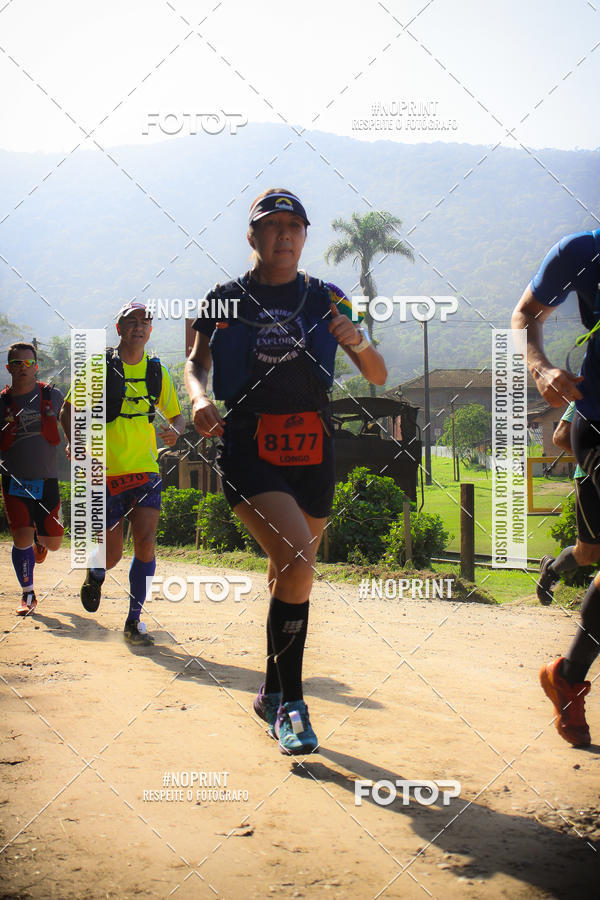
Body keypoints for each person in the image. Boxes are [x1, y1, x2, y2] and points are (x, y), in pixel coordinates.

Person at [185, 188, 387, 754]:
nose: (283, 235)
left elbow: (376, 374)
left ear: (304, 236)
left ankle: (270, 690)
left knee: (289, 574)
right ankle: (293, 707)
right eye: (271, 227)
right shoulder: (224, 299)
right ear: (252, 237)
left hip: (314, 446)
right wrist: (198, 397)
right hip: (250, 443)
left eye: (293, 226)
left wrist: (357, 338)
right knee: (298, 560)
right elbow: (195, 362)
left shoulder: (329, 297)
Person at [512, 228, 600, 746]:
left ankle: (565, 676)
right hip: (599, 421)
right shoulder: (582, 251)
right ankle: (567, 677)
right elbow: (525, 316)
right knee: (594, 555)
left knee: (591, 555)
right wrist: (540, 367)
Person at [59, 302, 185, 645]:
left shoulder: (157, 371)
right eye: (132, 322)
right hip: (104, 470)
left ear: (150, 330)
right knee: (111, 555)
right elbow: (68, 409)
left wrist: (176, 430)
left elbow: (176, 415)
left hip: (145, 469)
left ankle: (133, 622)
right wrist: (75, 444)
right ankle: (95, 572)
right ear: (119, 328)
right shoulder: (98, 367)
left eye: (145, 322)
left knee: (145, 543)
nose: (139, 327)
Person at [0, 342, 66, 615]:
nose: (22, 368)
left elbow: (73, 422)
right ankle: (28, 594)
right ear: (8, 368)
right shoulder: (2, 401)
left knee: (54, 542)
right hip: (12, 479)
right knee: (20, 537)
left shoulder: (52, 395)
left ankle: (42, 540)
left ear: (36, 366)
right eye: (17, 363)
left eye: (28, 363)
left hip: (47, 479)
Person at [536, 401, 600, 605]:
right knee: (587, 553)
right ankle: (552, 569)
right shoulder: (589, 391)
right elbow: (561, 436)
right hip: (589, 479)